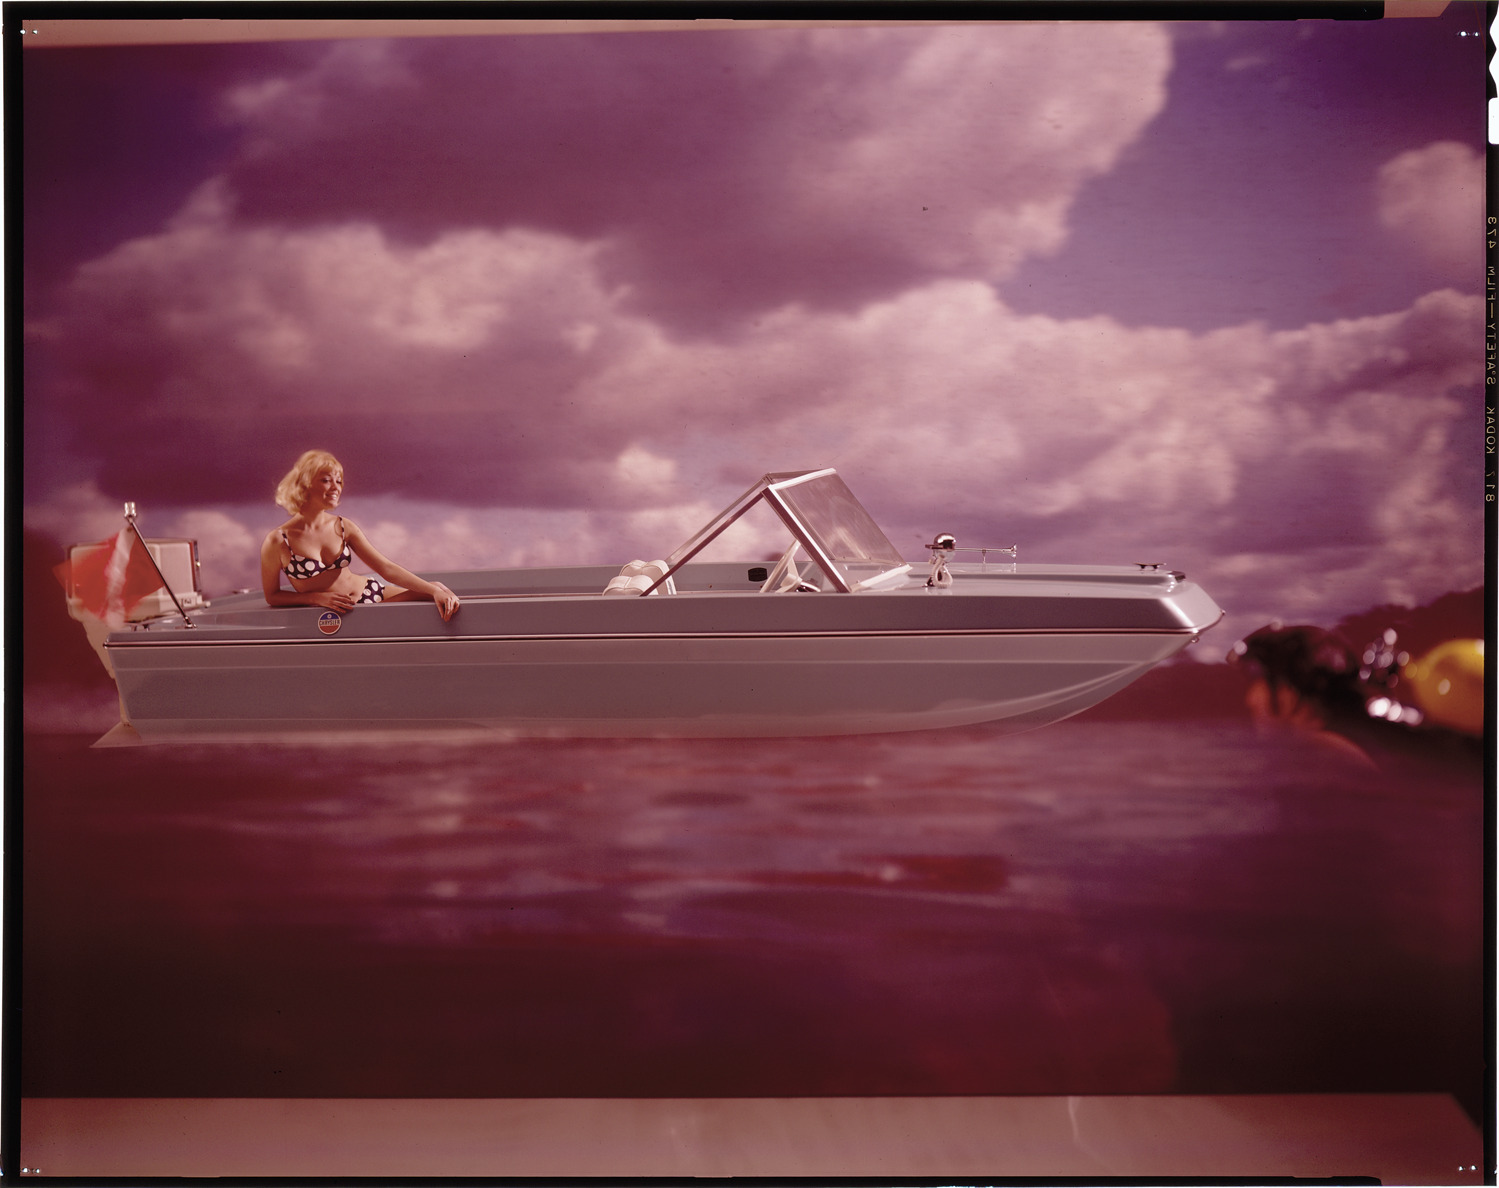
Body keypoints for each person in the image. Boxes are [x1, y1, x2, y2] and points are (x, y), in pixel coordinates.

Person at [260, 450, 460, 621]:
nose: (336, 487)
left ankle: (434, 588)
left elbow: (385, 568)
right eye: (326, 480)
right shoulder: (278, 540)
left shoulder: (343, 526)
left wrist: (433, 591)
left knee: (438, 595)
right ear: (304, 484)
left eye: (339, 481)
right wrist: (316, 598)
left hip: (372, 595)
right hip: (337, 615)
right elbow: (272, 596)